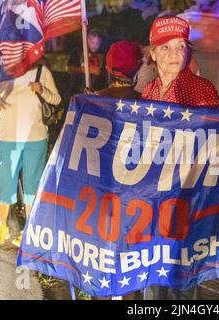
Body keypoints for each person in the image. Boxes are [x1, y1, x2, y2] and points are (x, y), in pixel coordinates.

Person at [141, 15, 219, 300]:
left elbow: (213, 144)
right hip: (152, 201)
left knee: (182, 280)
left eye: (180, 46)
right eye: (165, 47)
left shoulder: (202, 90)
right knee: (151, 274)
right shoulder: (149, 91)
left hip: (187, 199)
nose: (174, 53)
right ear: (153, 53)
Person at [86, 40, 143, 300]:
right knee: (130, 269)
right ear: (139, 69)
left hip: (100, 200)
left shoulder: (92, 103)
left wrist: (89, 101)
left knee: (102, 265)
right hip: (136, 201)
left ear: (108, 68)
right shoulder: (150, 107)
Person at [0, 61, 62, 247]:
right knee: (6, 182)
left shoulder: (41, 70)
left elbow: (57, 99)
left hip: (35, 137)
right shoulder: (1, 70)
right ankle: (2, 226)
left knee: (32, 184)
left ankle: (28, 230)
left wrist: (42, 90)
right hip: (7, 136)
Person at [67, 29, 106, 96]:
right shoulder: (77, 52)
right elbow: (69, 69)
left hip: (96, 93)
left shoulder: (104, 56)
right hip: (77, 90)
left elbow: (106, 74)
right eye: (92, 42)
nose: (94, 46)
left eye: (97, 43)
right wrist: (85, 70)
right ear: (87, 40)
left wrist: (100, 72)